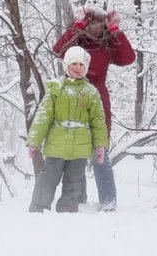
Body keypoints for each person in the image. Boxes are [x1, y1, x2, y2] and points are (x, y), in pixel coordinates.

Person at [52, 6, 135, 211]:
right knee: (76, 149)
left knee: (100, 150)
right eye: (91, 23)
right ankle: (79, 198)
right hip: (72, 95)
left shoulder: (107, 45)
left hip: (98, 97)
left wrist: (116, 31)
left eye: (100, 24)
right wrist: (75, 27)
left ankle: (108, 201)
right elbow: (59, 50)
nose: (95, 28)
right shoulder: (76, 44)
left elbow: (128, 58)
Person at [27, 46, 109, 213]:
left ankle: (67, 212)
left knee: (74, 182)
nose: (77, 68)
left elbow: (98, 121)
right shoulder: (56, 89)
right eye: (74, 64)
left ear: (86, 67)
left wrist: (100, 145)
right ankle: (38, 209)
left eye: (81, 64)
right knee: (48, 178)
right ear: (66, 66)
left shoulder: (90, 92)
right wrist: (34, 142)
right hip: (56, 145)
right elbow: (43, 116)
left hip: (80, 148)